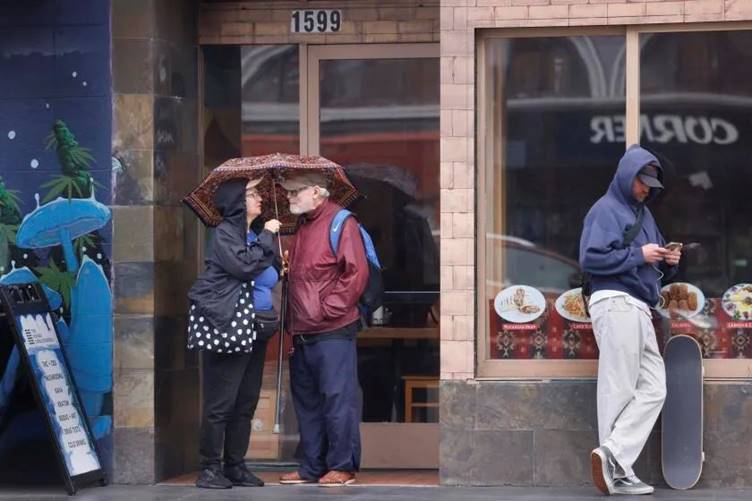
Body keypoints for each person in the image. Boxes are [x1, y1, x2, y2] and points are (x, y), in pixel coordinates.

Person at [580, 145, 681, 496]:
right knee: (619, 387)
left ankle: (614, 457)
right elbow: (591, 259)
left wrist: (668, 259)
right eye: (643, 182)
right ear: (627, 176)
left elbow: (650, 264)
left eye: (652, 184)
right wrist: (640, 254)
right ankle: (618, 471)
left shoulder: (645, 216)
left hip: (637, 305)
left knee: (654, 387)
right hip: (616, 301)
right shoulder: (604, 210)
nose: (647, 189)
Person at [187, 177, 282, 489]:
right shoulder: (225, 234)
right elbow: (243, 268)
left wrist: (279, 262)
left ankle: (236, 465)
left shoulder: (252, 234)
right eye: (252, 194)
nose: (259, 199)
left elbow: (263, 270)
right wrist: (268, 235)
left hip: (256, 328)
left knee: (245, 401)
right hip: (229, 326)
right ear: (236, 202)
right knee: (221, 402)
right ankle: (210, 468)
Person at [277, 172, 368, 488]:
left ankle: (342, 466)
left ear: (317, 192)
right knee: (308, 402)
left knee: (337, 399)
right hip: (301, 330)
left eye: (295, 192)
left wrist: (325, 310)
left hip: (332, 328)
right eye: (287, 193)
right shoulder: (302, 226)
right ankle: (311, 466)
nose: (289, 198)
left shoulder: (342, 222)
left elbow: (355, 274)